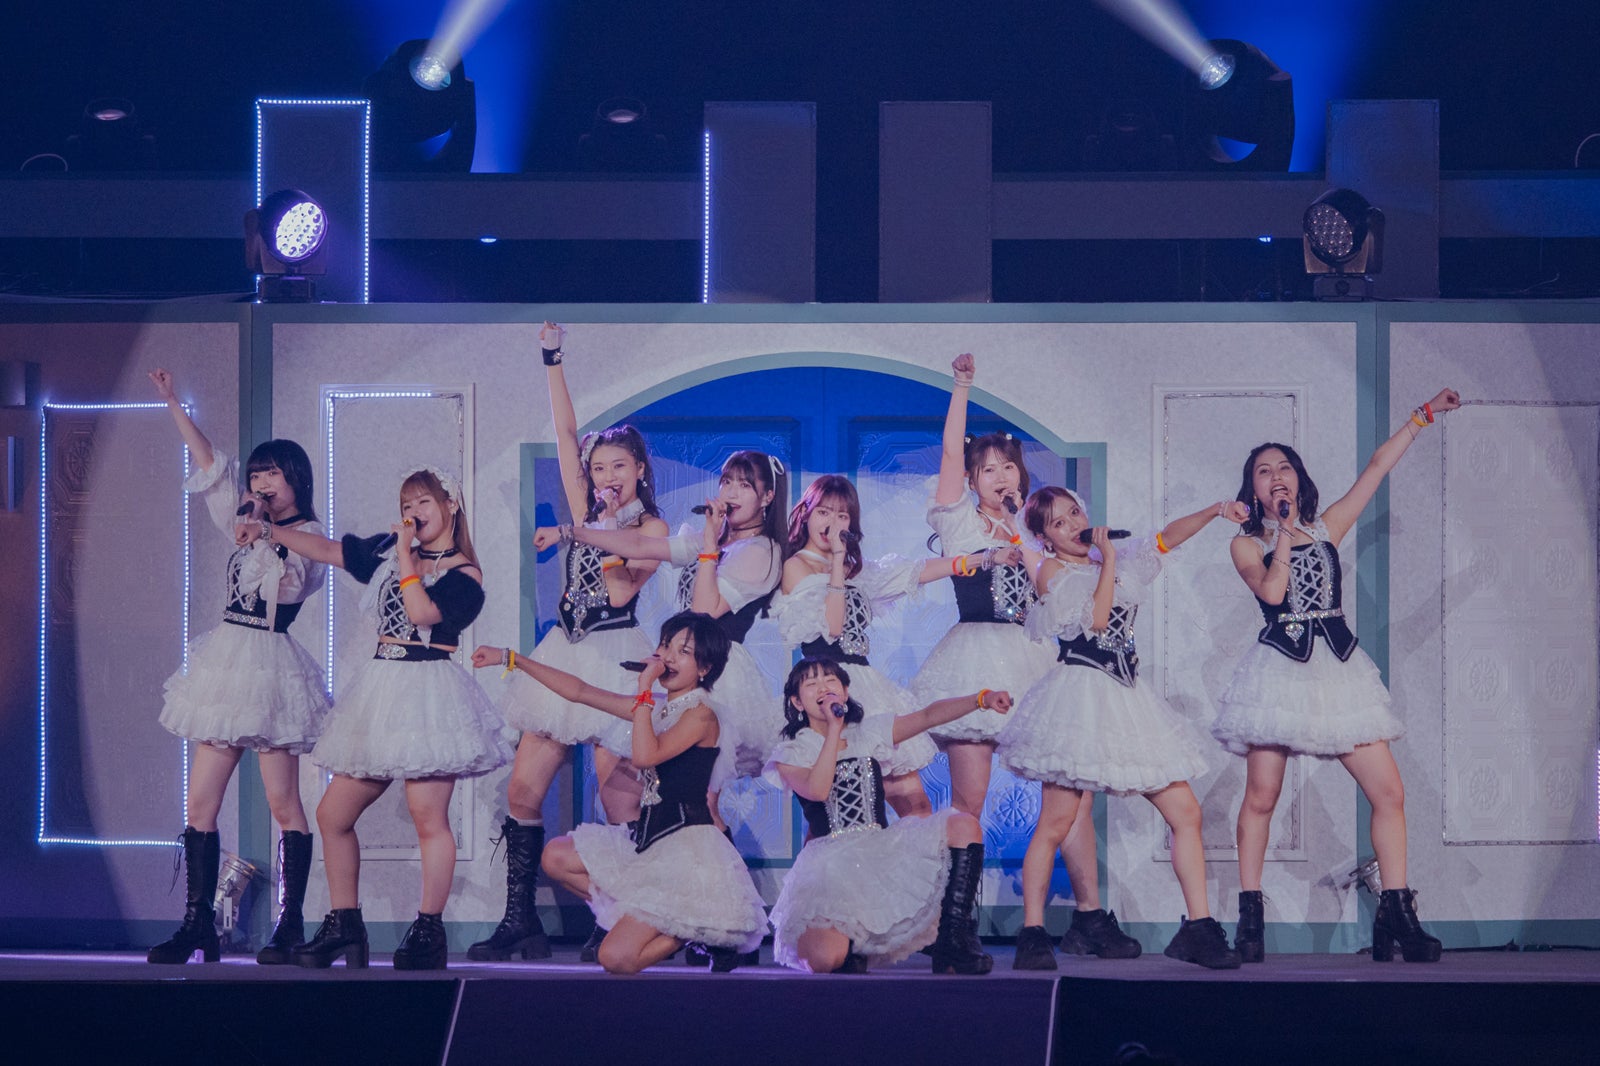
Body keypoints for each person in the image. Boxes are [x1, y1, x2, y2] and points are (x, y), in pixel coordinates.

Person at [1213, 387, 1461, 964]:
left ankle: (1396, 913)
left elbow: (1375, 469)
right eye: (1263, 471)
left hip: (1339, 668)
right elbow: (1272, 591)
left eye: (1284, 467)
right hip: (1279, 670)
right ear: (1253, 489)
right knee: (1262, 796)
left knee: (1390, 793)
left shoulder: (1327, 527)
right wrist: (1282, 532)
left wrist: (1421, 417)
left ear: (1298, 479)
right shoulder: (1244, 544)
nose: (1276, 476)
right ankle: (1250, 920)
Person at [476, 322, 669, 963]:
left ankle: (616, 917)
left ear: (639, 470)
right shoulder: (583, 508)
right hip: (565, 650)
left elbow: (620, 587)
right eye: (598, 466)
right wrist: (552, 359)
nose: (606, 475)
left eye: (619, 466)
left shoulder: (651, 527)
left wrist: (601, 526)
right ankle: (519, 920)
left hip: (617, 654)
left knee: (619, 798)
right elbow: (565, 433)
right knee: (522, 791)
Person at [269, 467, 512, 969]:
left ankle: (428, 930)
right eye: (407, 504)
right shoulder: (389, 551)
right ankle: (345, 925)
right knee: (332, 815)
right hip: (381, 689)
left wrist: (404, 553)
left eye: (423, 502)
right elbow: (331, 551)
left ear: (450, 505)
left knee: (428, 817)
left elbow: (422, 613)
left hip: (429, 694)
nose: (413, 513)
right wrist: (269, 531)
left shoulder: (465, 575)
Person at [1001, 486, 1249, 970]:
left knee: (1186, 811)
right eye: (1058, 523)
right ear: (1046, 539)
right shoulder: (1051, 571)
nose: (1073, 525)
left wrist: (1217, 509)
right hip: (1079, 700)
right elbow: (1096, 621)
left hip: (1127, 697)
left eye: (1075, 513)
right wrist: (1109, 559)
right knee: (1055, 822)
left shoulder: (1110, 560)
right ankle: (1032, 933)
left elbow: (1165, 539)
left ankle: (1198, 928)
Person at [144, 369, 330, 966]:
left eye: (271, 473)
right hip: (228, 664)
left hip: (272, 667)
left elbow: (291, 587)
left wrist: (267, 533)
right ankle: (197, 922)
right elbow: (211, 465)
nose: (260, 482)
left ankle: (290, 923)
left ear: (295, 478)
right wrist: (175, 403)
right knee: (200, 804)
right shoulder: (243, 517)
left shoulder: (308, 534)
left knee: (284, 805)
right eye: (257, 474)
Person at [475, 612, 769, 974]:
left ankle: (691, 930)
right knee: (556, 857)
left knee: (615, 959)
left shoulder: (701, 715)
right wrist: (512, 658)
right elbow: (580, 692)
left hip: (684, 847)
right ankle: (671, 921)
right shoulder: (661, 707)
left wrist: (644, 691)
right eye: (666, 646)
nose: (668, 657)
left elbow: (645, 756)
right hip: (647, 840)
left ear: (705, 667)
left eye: (683, 651)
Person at [535, 450, 789, 782]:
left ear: (767, 496)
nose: (731, 493)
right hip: (682, 661)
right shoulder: (714, 540)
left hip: (716, 670)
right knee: (664, 778)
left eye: (744, 485)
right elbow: (639, 546)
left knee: (699, 786)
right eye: (727, 482)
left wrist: (709, 546)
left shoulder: (761, 551)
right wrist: (569, 532)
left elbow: (703, 613)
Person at [766, 658, 1011, 974]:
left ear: (845, 691)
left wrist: (981, 699)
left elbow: (928, 716)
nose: (823, 688)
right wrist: (833, 731)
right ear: (797, 702)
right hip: (831, 862)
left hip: (879, 848)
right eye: (812, 684)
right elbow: (818, 789)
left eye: (830, 680)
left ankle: (953, 942)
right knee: (824, 960)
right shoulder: (791, 752)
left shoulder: (868, 732)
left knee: (963, 825)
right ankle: (853, 947)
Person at [770, 474, 956, 818]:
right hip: (828, 687)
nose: (832, 523)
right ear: (806, 514)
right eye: (824, 512)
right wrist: (837, 563)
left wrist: (972, 562)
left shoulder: (855, 571)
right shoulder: (795, 567)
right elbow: (832, 627)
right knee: (841, 811)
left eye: (842, 515)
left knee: (915, 802)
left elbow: (912, 573)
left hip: (869, 686)